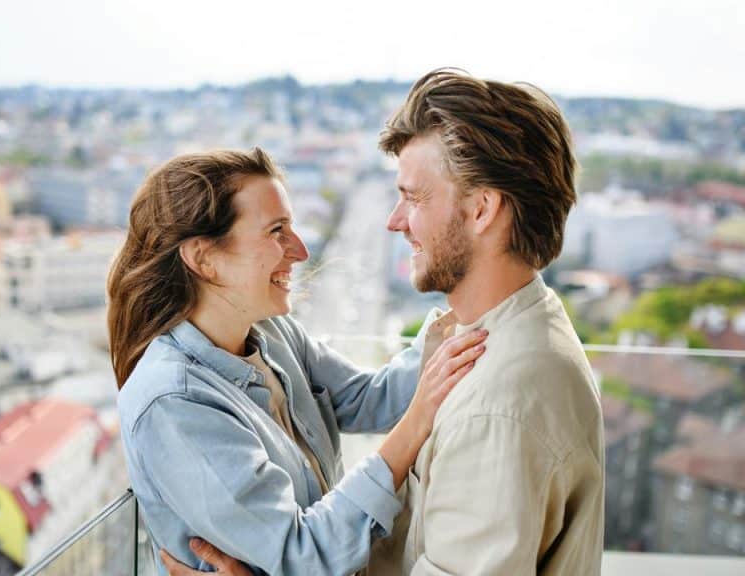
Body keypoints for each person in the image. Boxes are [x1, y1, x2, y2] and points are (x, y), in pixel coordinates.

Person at [164, 69, 605, 576]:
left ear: (483, 209)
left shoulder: (498, 407)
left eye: (413, 198)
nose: (394, 221)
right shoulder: (504, 338)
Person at [109, 147, 487, 576]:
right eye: (277, 231)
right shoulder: (173, 402)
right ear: (203, 258)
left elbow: (368, 399)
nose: (301, 251)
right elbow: (303, 556)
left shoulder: (270, 331)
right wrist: (416, 423)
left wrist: (470, 307)